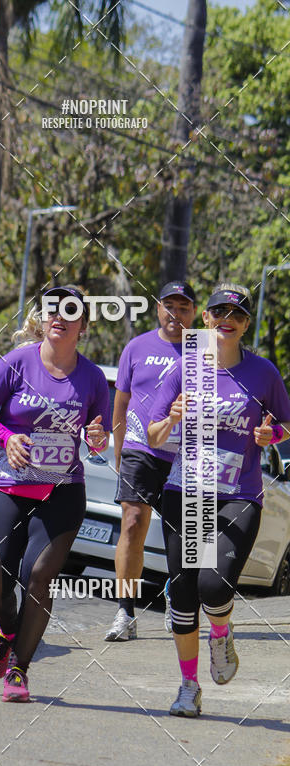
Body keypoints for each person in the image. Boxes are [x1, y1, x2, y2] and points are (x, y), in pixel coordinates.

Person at [147, 284, 290, 717]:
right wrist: (171, 418)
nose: (228, 320)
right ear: (206, 319)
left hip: (238, 493)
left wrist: (271, 435)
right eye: (219, 312)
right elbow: (152, 434)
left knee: (214, 584)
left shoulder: (263, 373)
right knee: (184, 592)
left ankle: (222, 633)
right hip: (186, 492)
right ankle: (188, 686)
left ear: (245, 325)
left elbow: (286, 423)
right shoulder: (185, 367)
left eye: (237, 314)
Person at [0, 286, 112, 702]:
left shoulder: (92, 378)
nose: (59, 316)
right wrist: (5, 436)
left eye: (71, 311)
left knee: (38, 576)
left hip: (61, 492)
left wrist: (98, 437)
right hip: (7, 484)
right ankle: (8, 631)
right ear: (44, 318)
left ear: (83, 325)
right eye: (53, 309)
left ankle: (19, 670)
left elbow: (99, 439)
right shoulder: (17, 362)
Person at [105, 281, 197, 642]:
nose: (176, 313)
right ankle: (125, 612)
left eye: (184, 307)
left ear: (194, 313)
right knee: (132, 522)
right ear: (158, 308)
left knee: (185, 536)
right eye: (169, 306)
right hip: (140, 449)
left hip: (186, 454)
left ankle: (179, 597)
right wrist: (118, 451)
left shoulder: (205, 352)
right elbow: (121, 403)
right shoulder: (137, 347)